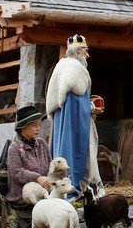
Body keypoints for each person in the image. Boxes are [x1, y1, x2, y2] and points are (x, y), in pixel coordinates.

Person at [46, 34, 100, 191]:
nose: (87, 55)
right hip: (73, 120)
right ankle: (72, 185)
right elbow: (76, 100)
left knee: (61, 145)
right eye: (85, 51)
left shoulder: (61, 66)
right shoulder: (75, 68)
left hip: (62, 117)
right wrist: (90, 108)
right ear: (78, 51)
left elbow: (58, 97)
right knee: (73, 148)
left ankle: (60, 185)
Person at [6, 105, 52, 228]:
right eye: (34, 125)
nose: (38, 129)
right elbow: (17, 172)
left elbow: (50, 163)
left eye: (39, 125)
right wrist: (37, 178)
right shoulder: (14, 148)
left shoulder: (42, 143)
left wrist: (55, 174)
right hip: (23, 200)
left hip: (44, 194)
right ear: (23, 127)